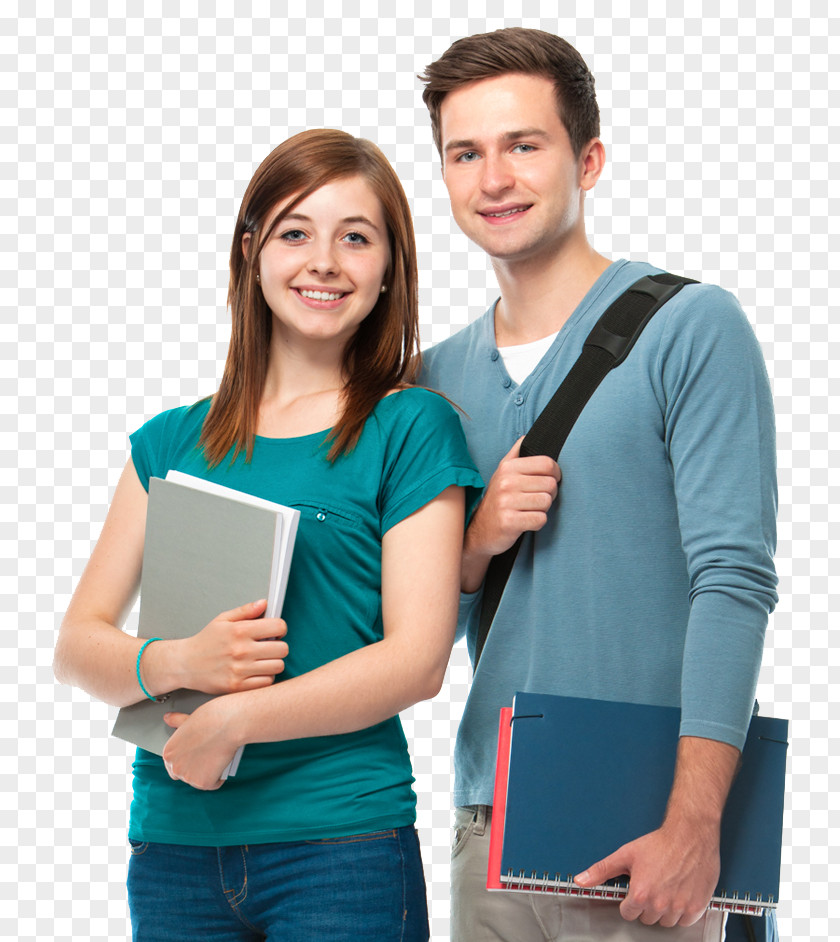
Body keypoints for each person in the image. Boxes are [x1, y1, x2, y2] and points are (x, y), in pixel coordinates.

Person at [53, 128, 483, 942]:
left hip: (341, 847)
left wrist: (236, 719)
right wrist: (180, 664)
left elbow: (417, 658)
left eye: (356, 238)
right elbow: (76, 645)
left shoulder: (409, 427)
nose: (324, 261)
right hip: (173, 850)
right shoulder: (171, 442)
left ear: (389, 267)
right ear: (250, 250)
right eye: (295, 232)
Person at [418, 27, 778, 942]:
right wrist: (474, 544)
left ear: (590, 158)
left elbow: (733, 581)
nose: (494, 177)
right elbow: (421, 631)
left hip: (652, 830)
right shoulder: (427, 383)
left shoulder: (692, 326)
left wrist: (695, 826)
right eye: (467, 153)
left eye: (523, 145)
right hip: (490, 821)